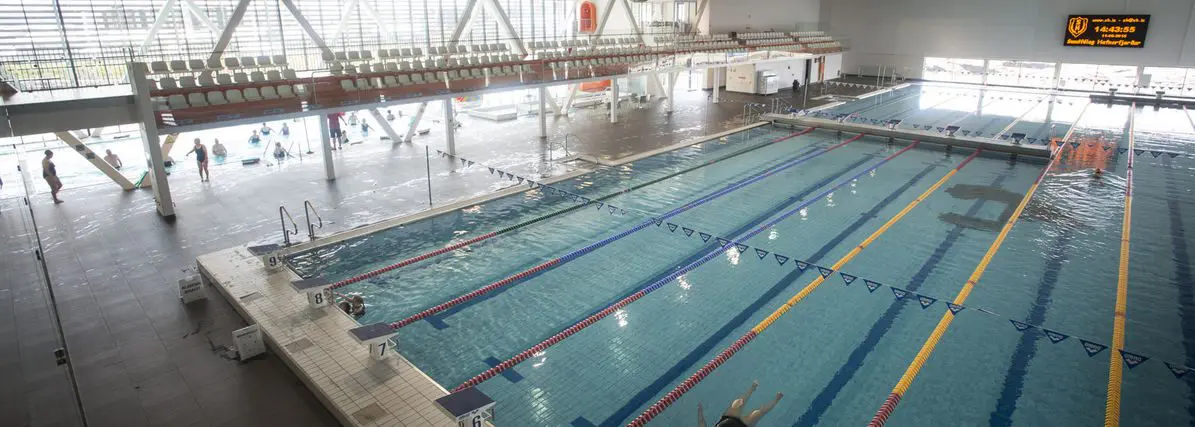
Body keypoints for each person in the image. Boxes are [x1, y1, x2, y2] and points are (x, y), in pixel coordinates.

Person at [697, 381, 781, 427]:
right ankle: (776, 399)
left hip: (728, 419)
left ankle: (753, 389)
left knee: (741, 403)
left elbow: (701, 423)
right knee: (759, 412)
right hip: (740, 424)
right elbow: (701, 423)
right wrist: (700, 412)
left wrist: (700, 412)